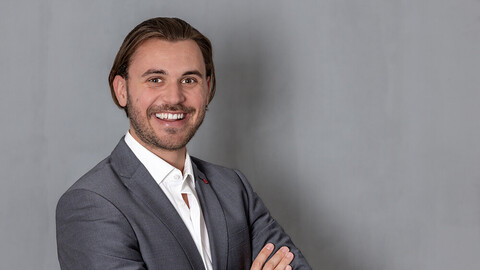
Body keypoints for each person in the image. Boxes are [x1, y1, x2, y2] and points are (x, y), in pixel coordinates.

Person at [56, 17, 311, 270]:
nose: (174, 97)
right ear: (122, 90)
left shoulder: (233, 188)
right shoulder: (92, 203)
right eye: (155, 79)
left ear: (208, 88)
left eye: (189, 80)